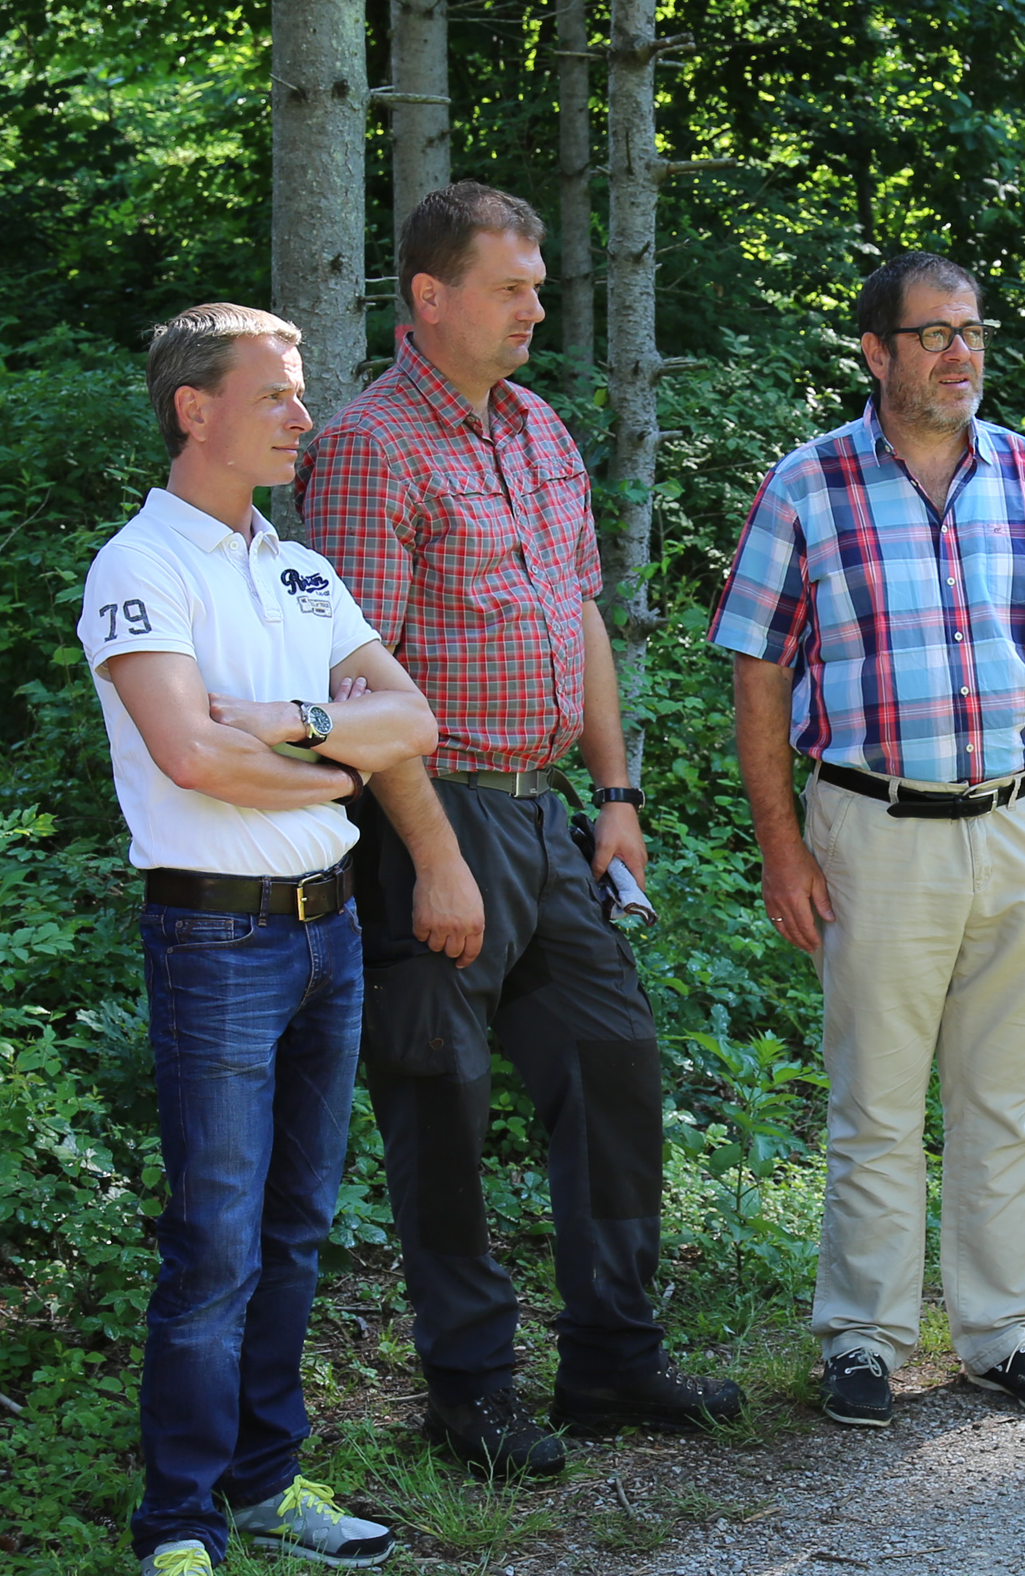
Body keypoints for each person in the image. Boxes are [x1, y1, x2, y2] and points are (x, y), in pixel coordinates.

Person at [297, 181, 741, 1479]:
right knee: (441, 1102)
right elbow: (355, 683)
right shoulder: (372, 448)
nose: (535, 309)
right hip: (429, 816)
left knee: (613, 1065)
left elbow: (579, 612)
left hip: (547, 815)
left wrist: (617, 796)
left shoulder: (538, 426)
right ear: (431, 296)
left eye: (538, 287)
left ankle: (610, 1357)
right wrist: (435, 855)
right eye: (511, 288)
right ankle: (468, 1390)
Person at [710, 251, 1025, 1430]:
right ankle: (863, 1338)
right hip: (874, 828)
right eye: (935, 332)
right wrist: (781, 844)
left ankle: (1000, 1334)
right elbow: (758, 672)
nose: (962, 352)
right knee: (876, 1104)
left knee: (1004, 1104)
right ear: (876, 351)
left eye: (973, 330)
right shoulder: (807, 484)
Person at [86, 304, 438, 1575]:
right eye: (278, 395)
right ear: (196, 409)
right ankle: (177, 1520)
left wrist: (283, 724)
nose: (305, 416)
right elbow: (189, 754)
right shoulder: (141, 564)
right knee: (216, 1241)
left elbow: (412, 718)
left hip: (327, 934)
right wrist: (334, 764)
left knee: (295, 1227)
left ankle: (265, 1482)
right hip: (215, 940)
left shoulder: (296, 564)